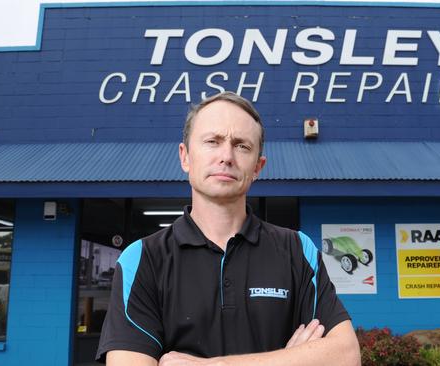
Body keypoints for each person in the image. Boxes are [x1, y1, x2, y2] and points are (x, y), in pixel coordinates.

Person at [96, 91, 361, 366]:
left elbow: (346, 355)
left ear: (258, 167)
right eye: (212, 141)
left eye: (242, 146)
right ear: (185, 156)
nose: (226, 156)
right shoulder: (141, 259)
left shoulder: (298, 250)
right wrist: (293, 359)